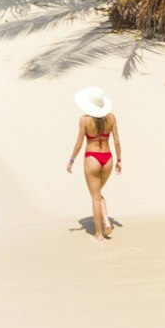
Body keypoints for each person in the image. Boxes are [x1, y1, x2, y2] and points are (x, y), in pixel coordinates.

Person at [65, 86, 124, 237]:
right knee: (97, 192)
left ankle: (99, 233)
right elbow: (117, 141)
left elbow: (78, 144)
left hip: (92, 158)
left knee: (95, 197)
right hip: (108, 158)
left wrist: (71, 160)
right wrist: (119, 160)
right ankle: (105, 219)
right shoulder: (111, 118)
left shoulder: (84, 120)